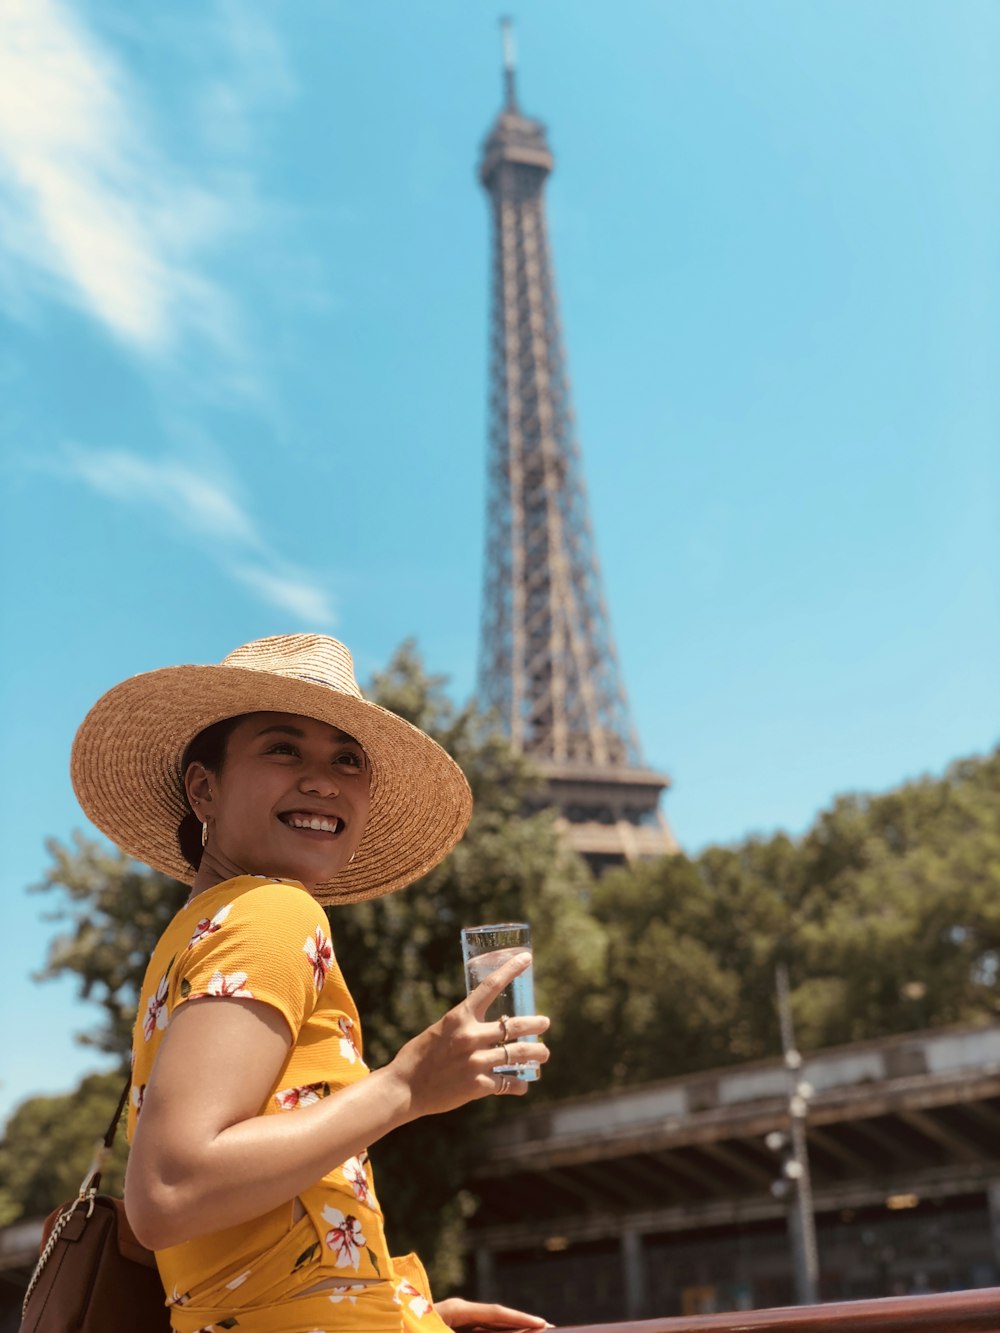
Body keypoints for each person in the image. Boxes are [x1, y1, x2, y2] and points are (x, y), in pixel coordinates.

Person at [70, 633, 551, 1333]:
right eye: (283, 748)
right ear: (203, 787)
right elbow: (169, 1192)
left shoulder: (201, 930)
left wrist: (391, 1304)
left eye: (347, 758)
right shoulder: (273, 912)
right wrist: (405, 1085)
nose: (323, 778)